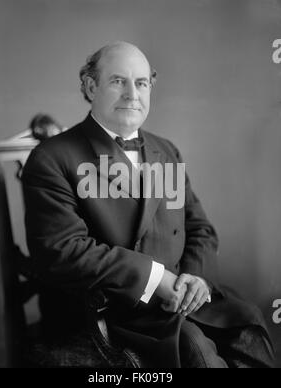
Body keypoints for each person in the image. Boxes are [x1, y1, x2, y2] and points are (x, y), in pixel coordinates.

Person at [22, 42, 275, 368]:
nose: (132, 94)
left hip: (181, 297)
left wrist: (195, 280)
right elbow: (64, 251)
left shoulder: (166, 150)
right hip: (108, 308)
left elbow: (200, 229)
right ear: (90, 86)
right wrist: (158, 281)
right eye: (118, 81)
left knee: (248, 325)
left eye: (141, 83)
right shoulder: (53, 158)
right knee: (197, 350)